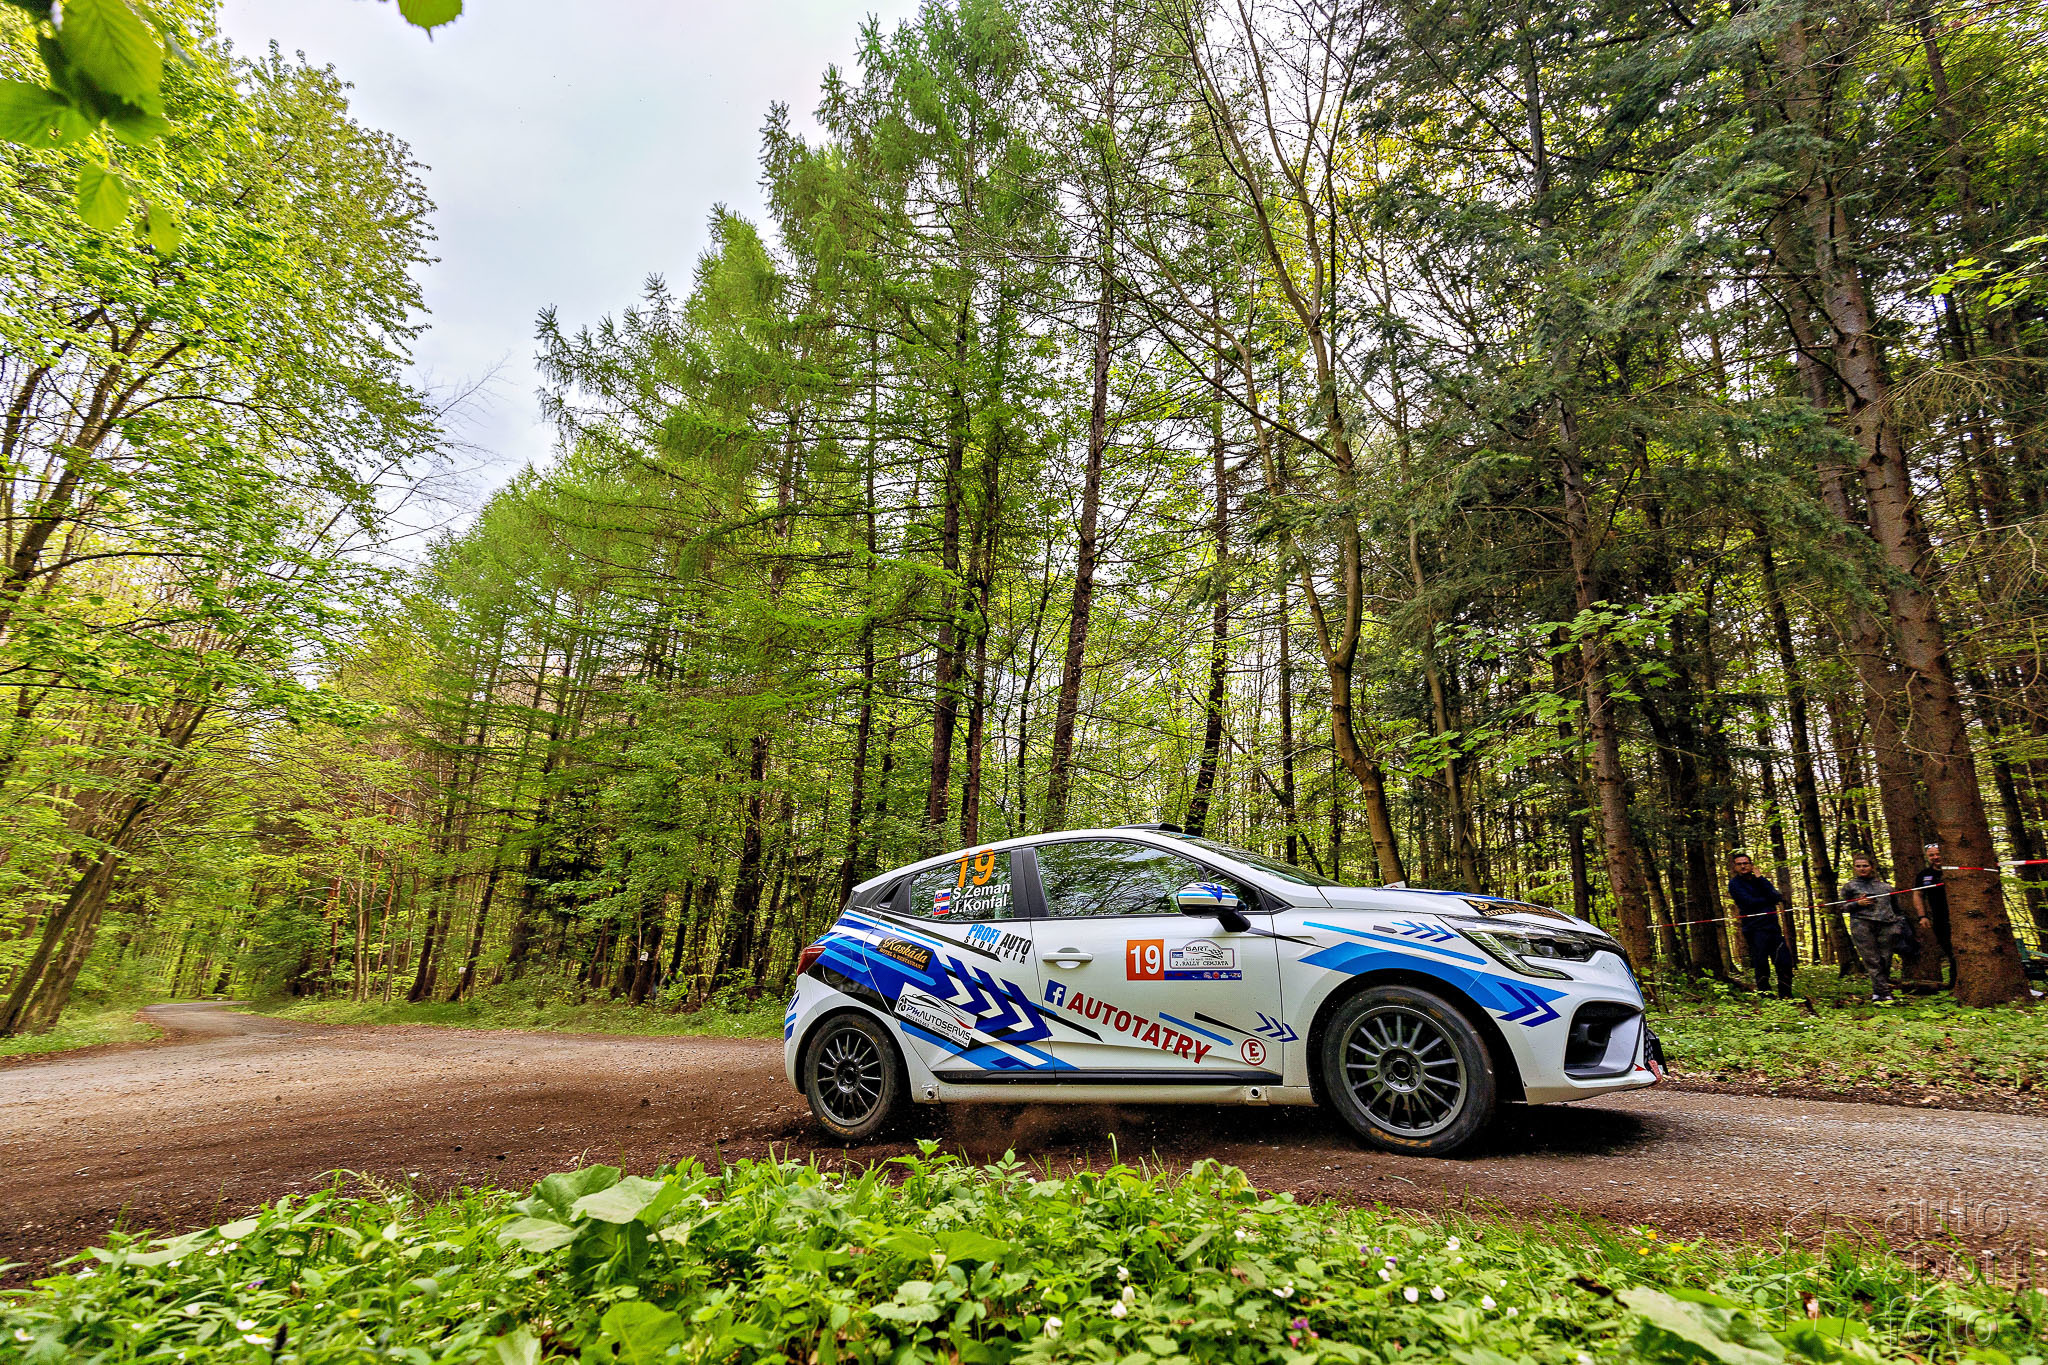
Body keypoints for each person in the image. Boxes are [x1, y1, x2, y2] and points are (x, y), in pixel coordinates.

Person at [1727, 852, 1795, 998]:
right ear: (1735, 867)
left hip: (1773, 928)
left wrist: (1761, 878)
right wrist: (1768, 900)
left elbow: (1777, 896)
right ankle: (1766, 996)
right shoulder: (1734, 884)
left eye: (1745, 863)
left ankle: (1786, 996)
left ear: (1751, 865)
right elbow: (1748, 902)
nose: (1743, 866)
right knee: (1761, 963)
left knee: (1784, 961)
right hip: (1754, 929)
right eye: (1739, 864)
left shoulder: (1760, 880)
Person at [1843, 852, 1906, 1003]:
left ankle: (1879, 992)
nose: (1862, 869)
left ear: (1872, 867)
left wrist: (1898, 925)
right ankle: (1884, 994)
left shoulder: (1886, 887)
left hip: (1887, 926)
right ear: (1854, 868)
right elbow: (1840, 906)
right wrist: (1857, 904)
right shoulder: (1850, 886)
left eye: (1865, 866)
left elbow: (1898, 910)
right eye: (1858, 866)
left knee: (1885, 958)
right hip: (1862, 925)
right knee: (1872, 960)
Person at [1912, 842, 1953, 985]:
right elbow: (1917, 894)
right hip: (1939, 918)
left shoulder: (1955, 869)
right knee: (1948, 950)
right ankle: (1955, 983)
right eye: (1931, 855)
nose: (1935, 857)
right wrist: (1922, 916)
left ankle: (1956, 981)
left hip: (1962, 916)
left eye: (1938, 854)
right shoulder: (1924, 875)